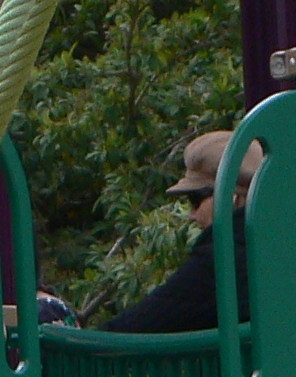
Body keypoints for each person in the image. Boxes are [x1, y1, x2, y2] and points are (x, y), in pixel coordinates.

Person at [97, 131, 246, 334]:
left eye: (195, 200)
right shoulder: (279, 251)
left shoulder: (220, 263)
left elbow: (133, 327)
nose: (192, 215)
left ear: (231, 198)